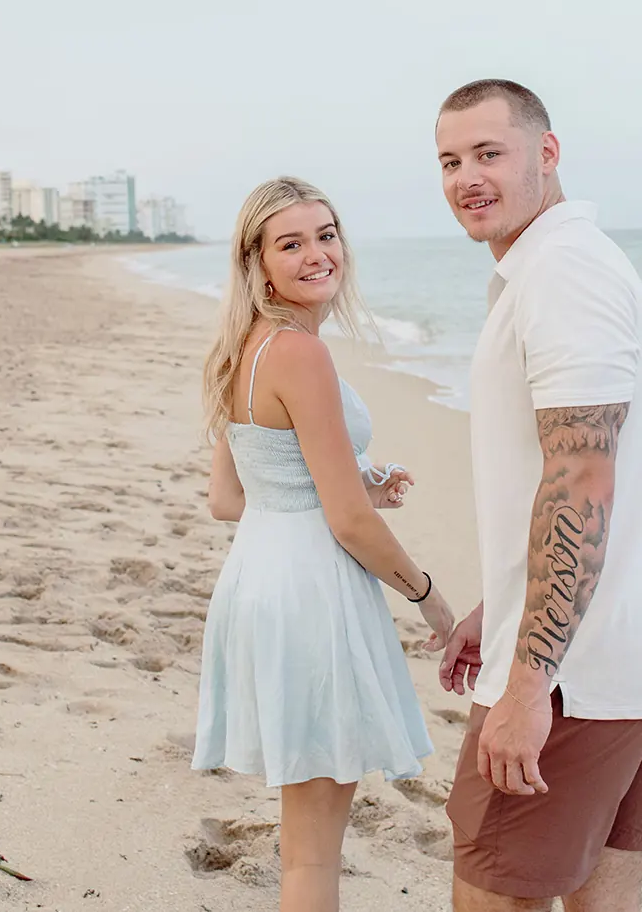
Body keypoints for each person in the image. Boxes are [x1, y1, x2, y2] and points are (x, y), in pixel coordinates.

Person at [433, 80, 642, 912]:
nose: (467, 177)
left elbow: (580, 482)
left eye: (489, 153)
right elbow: (587, 476)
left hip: (583, 677)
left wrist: (526, 683)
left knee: (494, 896)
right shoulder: (564, 264)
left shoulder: (560, 272)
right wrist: (501, 602)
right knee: (605, 902)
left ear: (547, 153)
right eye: (450, 161)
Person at [193, 175, 457, 912]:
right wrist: (432, 601)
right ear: (258, 261)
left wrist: (354, 483)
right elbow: (346, 522)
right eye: (291, 242)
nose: (317, 254)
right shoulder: (299, 354)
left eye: (326, 233)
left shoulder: (235, 349)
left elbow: (230, 497)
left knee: (304, 835)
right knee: (312, 856)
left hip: (258, 577)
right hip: (311, 591)